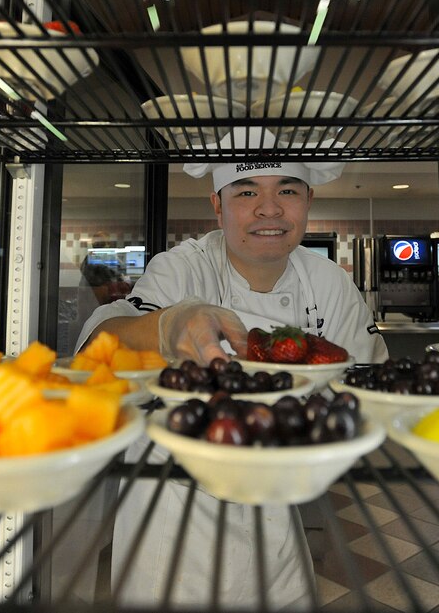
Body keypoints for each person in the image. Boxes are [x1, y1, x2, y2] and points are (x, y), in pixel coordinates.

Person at [74, 128, 387, 610]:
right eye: (246, 192)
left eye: (287, 189)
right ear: (218, 207)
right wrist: (165, 325)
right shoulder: (183, 267)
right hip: (174, 508)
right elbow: (97, 346)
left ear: (308, 200)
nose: (269, 208)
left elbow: (364, 387)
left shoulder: (328, 282)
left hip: (275, 503)